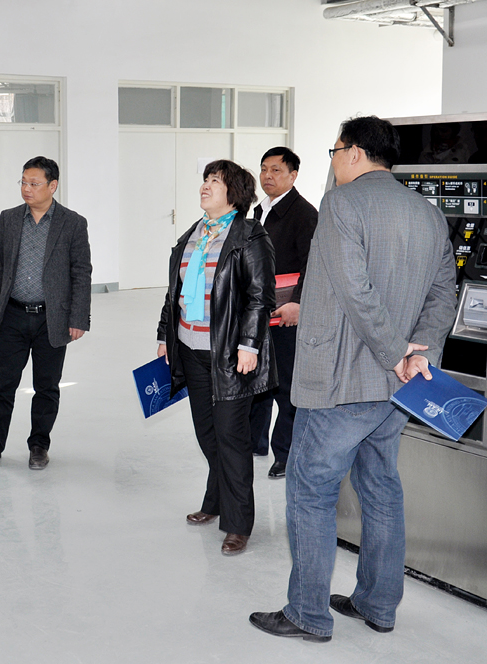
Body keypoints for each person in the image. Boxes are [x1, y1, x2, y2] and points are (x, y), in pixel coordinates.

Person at [250, 117, 456, 641]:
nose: (334, 161)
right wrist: (417, 356)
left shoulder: (342, 204)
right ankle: (377, 604)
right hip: (397, 388)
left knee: (310, 490)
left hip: (340, 382)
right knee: (381, 488)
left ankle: (307, 613)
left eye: (335, 151)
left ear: (356, 153)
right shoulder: (428, 213)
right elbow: (443, 294)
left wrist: (394, 352)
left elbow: (355, 290)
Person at [156, 159, 277, 557]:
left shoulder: (249, 236)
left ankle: (238, 523)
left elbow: (260, 297)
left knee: (231, 437)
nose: (205, 186)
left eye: (215, 181)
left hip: (229, 353)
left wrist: (249, 345)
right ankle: (215, 499)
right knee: (207, 434)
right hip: (190, 348)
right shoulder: (194, 234)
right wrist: (164, 335)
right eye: (205, 179)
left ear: (234, 192)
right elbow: (173, 292)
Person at [0, 156, 92, 470]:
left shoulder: (72, 223)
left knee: (47, 387)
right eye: (23, 182)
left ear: (52, 186)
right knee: (3, 385)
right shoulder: (9, 218)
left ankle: (39, 445)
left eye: (34, 183)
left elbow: (81, 272)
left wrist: (78, 318)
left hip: (51, 319)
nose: (27, 188)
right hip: (13, 315)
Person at [247, 147, 318, 479]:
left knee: (286, 386)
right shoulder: (260, 210)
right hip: (261, 311)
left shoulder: (304, 214)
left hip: (287, 313)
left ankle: (286, 454)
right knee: (257, 378)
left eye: (276, 170)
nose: (268, 176)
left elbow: (312, 265)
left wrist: (299, 303)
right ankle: (255, 442)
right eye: (264, 169)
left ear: (293, 175)